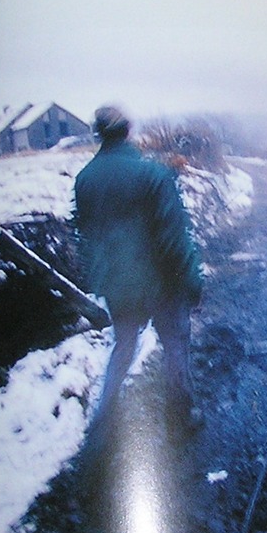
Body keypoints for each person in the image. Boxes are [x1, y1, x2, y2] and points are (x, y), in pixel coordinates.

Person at [73, 106, 204, 432]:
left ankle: (103, 418)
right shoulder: (152, 175)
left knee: (124, 346)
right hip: (160, 284)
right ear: (128, 132)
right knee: (175, 344)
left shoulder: (84, 180)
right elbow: (174, 239)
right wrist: (191, 280)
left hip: (118, 286)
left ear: (98, 134)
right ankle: (181, 416)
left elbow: (85, 237)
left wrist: (100, 280)